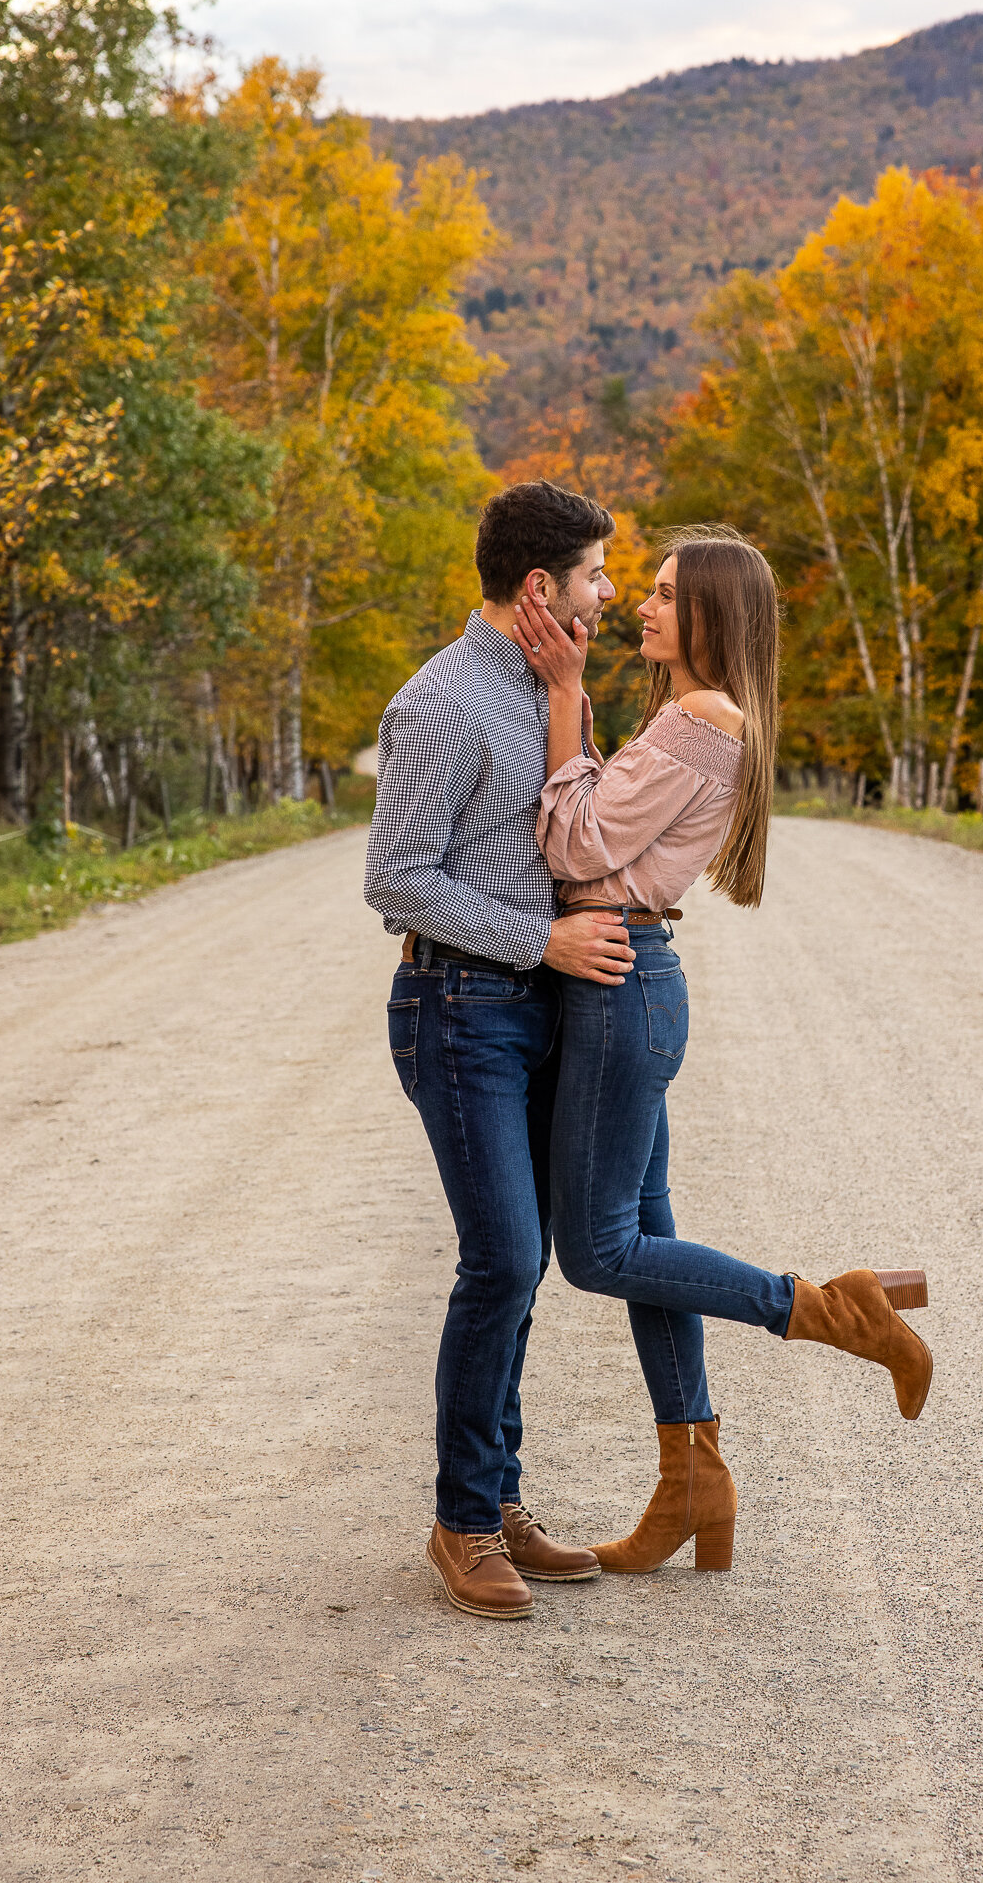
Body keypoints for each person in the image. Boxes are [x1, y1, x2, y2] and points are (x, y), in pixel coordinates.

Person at [511, 524, 932, 1577]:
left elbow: (572, 843)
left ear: (710, 615)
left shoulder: (700, 720)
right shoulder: (690, 717)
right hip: (629, 979)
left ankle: (833, 1309)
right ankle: (692, 1472)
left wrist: (564, 696)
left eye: (662, 593)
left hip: (619, 986)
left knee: (598, 1251)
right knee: (647, 1240)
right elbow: (604, 826)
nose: (640, 606)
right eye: (641, 588)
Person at [364, 480, 640, 1622]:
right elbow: (394, 880)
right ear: (542, 586)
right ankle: (461, 1521)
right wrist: (541, 937)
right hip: (457, 1005)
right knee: (503, 1258)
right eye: (595, 575)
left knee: (522, 1266)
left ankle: (500, 1496)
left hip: (535, 1009)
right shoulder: (438, 703)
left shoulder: (552, 686)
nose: (611, 592)